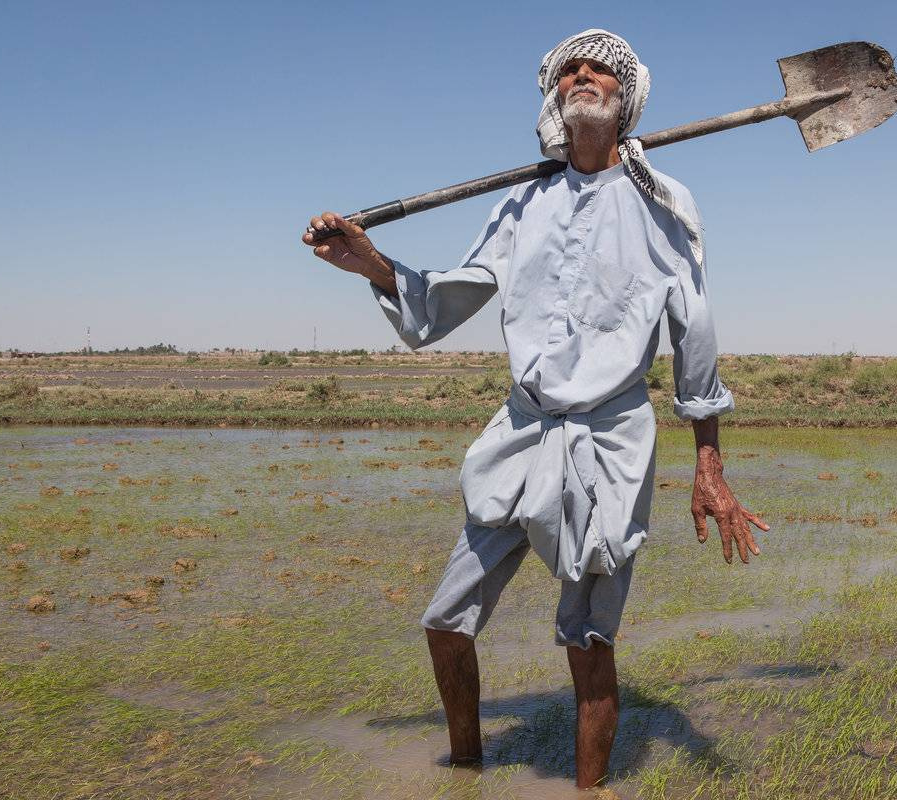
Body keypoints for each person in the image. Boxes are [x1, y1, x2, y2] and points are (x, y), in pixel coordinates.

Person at [302, 28, 768, 791]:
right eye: (570, 71)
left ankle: (589, 789)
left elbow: (697, 334)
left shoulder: (665, 203)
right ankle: (465, 771)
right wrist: (373, 265)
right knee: (444, 622)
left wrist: (709, 465)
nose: (583, 77)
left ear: (626, 98)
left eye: (600, 71)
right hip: (520, 433)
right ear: (555, 100)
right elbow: (450, 295)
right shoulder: (523, 204)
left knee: (588, 643)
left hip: (608, 444)